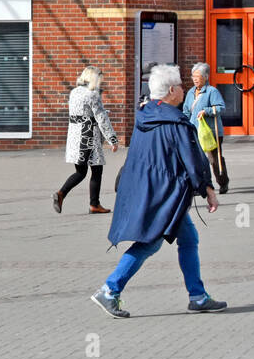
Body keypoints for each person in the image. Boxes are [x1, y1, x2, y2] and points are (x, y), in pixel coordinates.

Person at [91, 64, 225, 318]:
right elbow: (193, 160)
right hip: (164, 195)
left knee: (189, 239)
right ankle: (109, 290)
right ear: (172, 90)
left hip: (147, 188)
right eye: (181, 86)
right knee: (149, 243)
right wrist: (207, 188)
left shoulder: (145, 115)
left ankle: (197, 296)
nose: (184, 89)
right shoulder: (176, 123)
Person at [54, 66, 119, 214]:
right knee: (97, 170)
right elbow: (101, 118)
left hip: (75, 136)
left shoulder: (74, 92)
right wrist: (112, 139)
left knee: (81, 171)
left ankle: (61, 193)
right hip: (88, 136)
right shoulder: (92, 94)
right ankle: (93, 204)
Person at [182, 62, 228, 193]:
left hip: (211, 132)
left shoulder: (212, 91)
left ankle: (223, 181)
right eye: (193, 76)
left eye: (198, 76)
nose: (195, 79)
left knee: (214, 159)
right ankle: (201, 186)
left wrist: (206, 111)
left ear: (206, 77)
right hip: (195, 130)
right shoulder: (191, 92)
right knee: (197, 160)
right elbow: (186, 111)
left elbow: (220, 107)